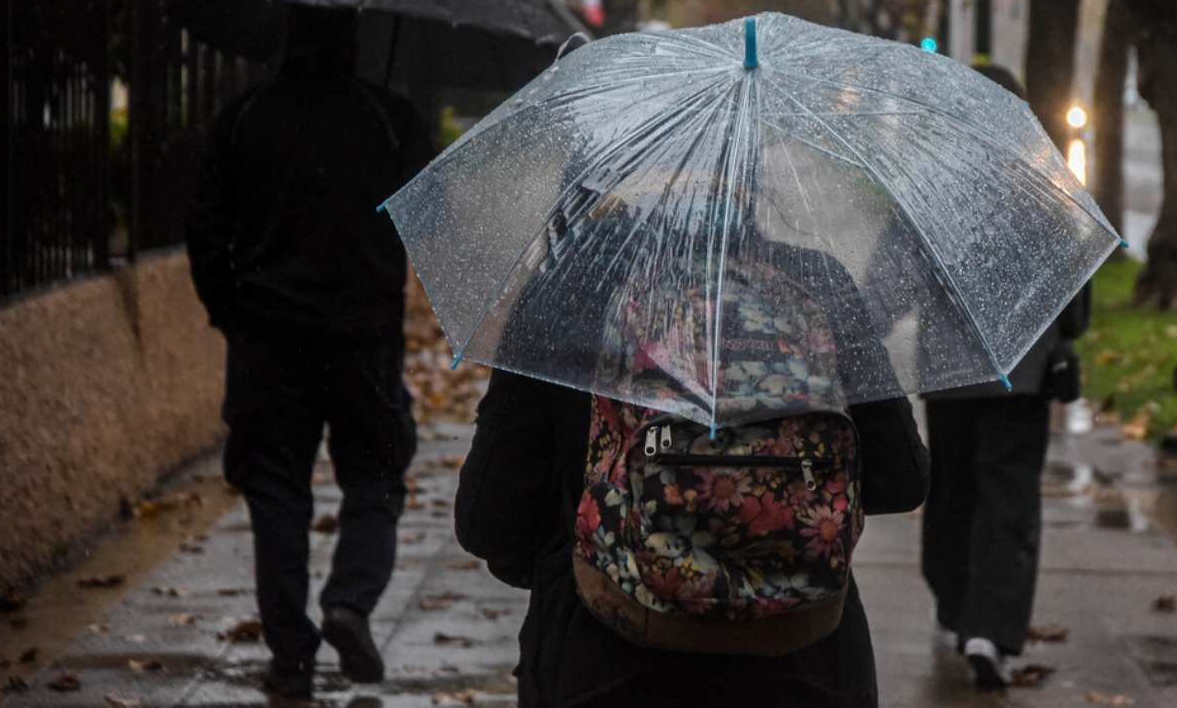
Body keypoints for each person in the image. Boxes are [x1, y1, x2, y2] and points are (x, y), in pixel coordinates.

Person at [453, 239, 929, 708]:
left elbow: (489, 520)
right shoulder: (817, 283)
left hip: (602, 659)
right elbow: (900, 478)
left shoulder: (569, 289)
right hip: (808, 661)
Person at [186, 6, 434, 699]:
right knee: (377, 478)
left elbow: (205, 229)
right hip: (363, 342)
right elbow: (430, 215)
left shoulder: (244, 118)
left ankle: (291, 650)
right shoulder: (391, 117)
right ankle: (349, 603)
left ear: (286, 37)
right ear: (354, 42)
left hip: (268, 340)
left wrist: (232, 315)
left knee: (275, 490)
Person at [916, 63, 1090, 691]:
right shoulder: (1048, 189)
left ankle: (953, 598)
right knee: (1007, 498)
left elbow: (894, 278)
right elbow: (1076, 307)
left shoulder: (930, 190)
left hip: (948, 372)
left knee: (953, 489)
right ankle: (989, 628)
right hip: (1024, 371)